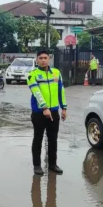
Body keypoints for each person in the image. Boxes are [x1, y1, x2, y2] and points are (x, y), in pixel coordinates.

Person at [27, 48, 67, 176]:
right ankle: (37, 165)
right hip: (39, 112)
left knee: (53, 139)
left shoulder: (56, 73)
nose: (43, 60)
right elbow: (36, 92)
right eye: (41, 58)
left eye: (45, 58)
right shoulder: (32, 74)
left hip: (54, 111)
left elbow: (61, 91)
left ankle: (52, 164)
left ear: (49, 58)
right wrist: (44, 108)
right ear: (37, 60)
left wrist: (64, 108)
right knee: (38, 138)